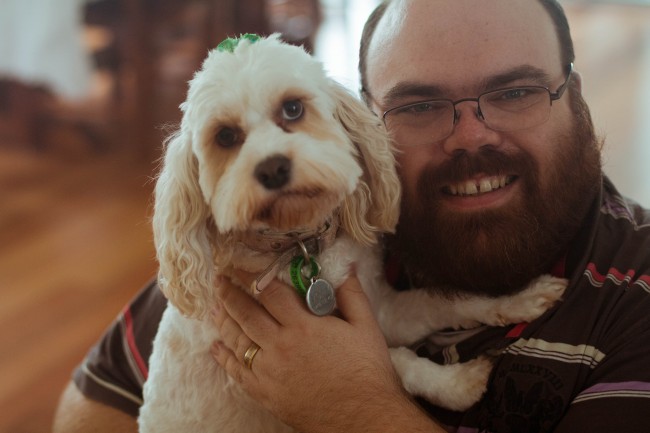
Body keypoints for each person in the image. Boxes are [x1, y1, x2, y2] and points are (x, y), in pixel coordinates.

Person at [53, 1, 650, 432]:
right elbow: (89, 408)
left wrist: (356, 409)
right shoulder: (249, 247)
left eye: (515, 91)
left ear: (575, 94)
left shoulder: (635, 299)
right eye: (419, 104)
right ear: (368, 125)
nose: (471, 135)